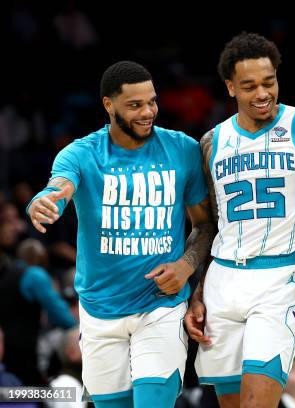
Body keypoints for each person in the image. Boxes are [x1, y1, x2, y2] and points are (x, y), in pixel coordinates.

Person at [184, 32, 295, 408]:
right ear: (231, 87)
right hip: (223, 279)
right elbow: (211, 226)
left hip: (281, 277)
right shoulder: (211, 143)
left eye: (269, 82)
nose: (262, 93)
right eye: (249, 86)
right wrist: (198, 290)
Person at [26, 61, 212, 407]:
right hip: (99, 311)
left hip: (160, 305)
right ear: (109, 105)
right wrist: (43, 202)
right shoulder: (81, 153)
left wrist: (186, 266)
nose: (148, 112)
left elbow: (205, 224)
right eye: (135, 105)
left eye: (152, 102)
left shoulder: (182, 149)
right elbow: (59, 188)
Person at [0, 239, 76, 385]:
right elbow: (61, 315)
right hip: (24, 351)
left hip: (4, 348)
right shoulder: (35, 275)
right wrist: (79, 328)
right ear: (42, 259)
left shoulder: (7, 272)